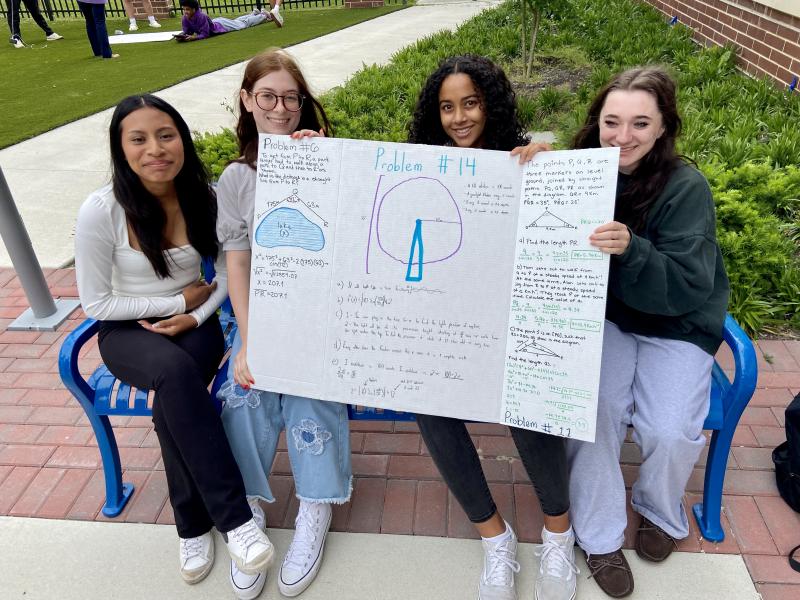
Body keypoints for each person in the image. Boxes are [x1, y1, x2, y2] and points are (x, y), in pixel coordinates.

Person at [75, 94, 274, 586]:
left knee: (174, 395)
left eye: (166, 135)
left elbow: (227, 274)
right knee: (175, 374)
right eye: (138, 139)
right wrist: (174, 303)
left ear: (182, 140)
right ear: (121, 149)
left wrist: (196, 313)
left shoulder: (206, 197)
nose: (155, 149)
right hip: (127, 331)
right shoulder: (101, 211)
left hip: (196, 325)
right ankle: (236, 521)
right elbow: (97, 304)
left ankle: (191, 527)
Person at [407, 54, 578, 600]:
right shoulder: (423, 164)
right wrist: (314, 151)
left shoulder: (522, 161)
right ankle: (494, 537)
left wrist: (553, 169)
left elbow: (567, 223)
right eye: (447, 107)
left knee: (522, 393)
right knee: (427, 401)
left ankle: (558, 534)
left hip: (513, 326)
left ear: (491, 105)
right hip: (450, 328)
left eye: (471, 103)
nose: (459, 118)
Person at [565, 66, 729, 598]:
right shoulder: (581, 171)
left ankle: (659, 510)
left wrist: (633, 249)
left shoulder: (686, 186)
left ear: (662, 128)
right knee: (592, 411)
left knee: (669, 427)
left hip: (675, 321)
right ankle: (599, 534)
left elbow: (687, 283)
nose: (623, 136)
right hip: (610, 317)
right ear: (597, 122)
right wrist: (532, 165)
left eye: (640, 123)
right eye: (611, 122)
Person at [215, 48, 352, 600]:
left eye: (291, 97)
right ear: (247, 101)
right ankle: (248, 508)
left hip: (321, 316)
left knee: (311, 392)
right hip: (261, 315)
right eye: (268, 96)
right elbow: (238, 263)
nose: (280, 107)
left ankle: (315, 507)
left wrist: (325, 162)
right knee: (243, 392)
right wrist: (247, 342)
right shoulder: (236, 178)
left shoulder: (325, 156)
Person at [177, 0, 280, 42]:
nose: (185, 12)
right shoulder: (185, 18)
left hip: (222, 26)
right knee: (237, 22)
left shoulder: (201, 16)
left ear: (194, 9)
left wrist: (194, 38)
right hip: (218, 22)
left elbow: (205, 34)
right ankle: (254, 14)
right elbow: (187, 31)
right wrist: (182, 36)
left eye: (187, 9)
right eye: (184, 9)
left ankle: (263, 16)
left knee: (242, 25)